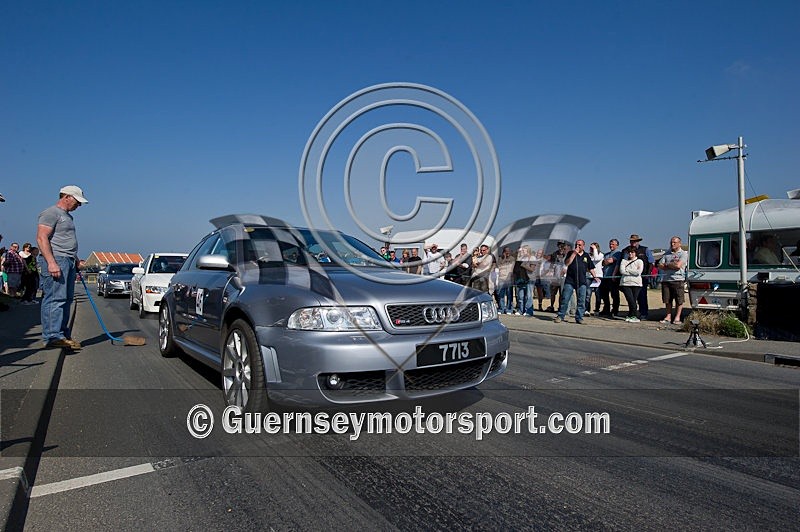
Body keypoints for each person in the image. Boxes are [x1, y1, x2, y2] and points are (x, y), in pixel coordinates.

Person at [36, 185, 89, 350]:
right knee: (55, 298)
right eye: (77, 201)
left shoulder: (67, 217)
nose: (78, 206)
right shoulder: (51, 213)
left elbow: (65, 240)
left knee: (66, 299)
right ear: (66, 197)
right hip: (57, 259)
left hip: (68, 260)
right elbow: (41, 237)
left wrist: (75, 260)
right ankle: (52, 336)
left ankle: (62, 333)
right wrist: (51, 262)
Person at [554, 240, 596, 324]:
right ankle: (560, 316)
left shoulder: (586, 255)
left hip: (581, 281)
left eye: (579, 245)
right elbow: (567, 263)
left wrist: (595, 277)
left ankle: (579, 318)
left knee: (581, 301)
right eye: (576, 245)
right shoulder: (570, 253)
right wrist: (574, 254)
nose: (578, 246)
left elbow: (591, 267)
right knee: (565, 298)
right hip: (570, 280)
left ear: (583, 246)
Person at [658, 236, 688, 325]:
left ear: (679, 243)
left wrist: (667, 265)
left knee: (679, 300)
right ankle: (668, 316)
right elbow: (660, 265)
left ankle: (677, 317)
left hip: (678, 279)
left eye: (675, 242)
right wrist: (670, 265)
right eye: (671, 242)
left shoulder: (683, 254)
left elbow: (678, 266)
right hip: (666, 279)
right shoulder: (667, 253)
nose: (672, 244)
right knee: (667, 299)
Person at [628, 234, 654, 320]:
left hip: (642, 276)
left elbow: (651, 262)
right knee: (631, 296)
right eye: (631, 241)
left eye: (634, 241)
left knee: (642, 295)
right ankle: (632, 313)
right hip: (630, 277)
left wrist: (648, 274)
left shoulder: (645, 250)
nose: (633, 242)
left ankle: (643, 313)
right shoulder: (626, 250)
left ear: (638, 241)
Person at [619, 246, 644, 323]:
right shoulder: (623, 261)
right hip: (625, 283)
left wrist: (628, 270)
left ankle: (632, 315)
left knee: (633, 300)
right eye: (629, 252)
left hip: (636, 283)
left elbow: (638, 272)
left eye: (632, 252)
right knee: (630, 300)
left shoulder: (639, 261)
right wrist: (633, 271)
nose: (630, 254)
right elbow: (622, 271)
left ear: (635, 253)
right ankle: (632, 314)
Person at [598, 239, 621, 317]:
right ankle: (606, 309)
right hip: (605, 277)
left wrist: (606, 261)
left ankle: (615, 310)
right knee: (604, 295)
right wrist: (606, 261)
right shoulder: (607, 254)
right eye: (610, 244)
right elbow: (603, 263)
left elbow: (609, 261)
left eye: (613, 244)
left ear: (617, 245)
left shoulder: (618, 253)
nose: (611, 245)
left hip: (612, 277)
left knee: (614, 295)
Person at [585, 242, 604, 316]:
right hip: (589, 276)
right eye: (591, 247)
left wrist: (595, 249)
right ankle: (586, 309)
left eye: (593, 247)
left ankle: (597, 309)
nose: (591, 249)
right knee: (588, 294)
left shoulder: (601, 254)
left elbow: (596, 259)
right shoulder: (588, 255)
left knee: (598, 294)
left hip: (598, 276)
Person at [495, 247, 515, 313]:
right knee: (501, 295)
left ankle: (509, 309)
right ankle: (501, 308)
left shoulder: (512, 259)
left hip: (509, 278)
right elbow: (498, 266)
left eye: (508, 251)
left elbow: (512, 267)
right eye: (506, 251)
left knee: (509, 295)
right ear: (503, 252)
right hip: (501, 278)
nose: (507, 252)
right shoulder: (500, 259)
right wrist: (504, 258)